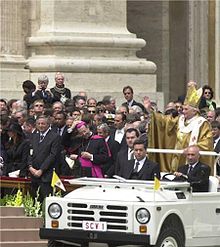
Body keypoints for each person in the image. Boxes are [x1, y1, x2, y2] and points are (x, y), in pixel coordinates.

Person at [144, 84, 214, 173]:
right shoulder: (180, 119)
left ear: (194, 110)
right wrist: (150, 111)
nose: (182, 111)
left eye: (186, 109)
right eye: (183, 109)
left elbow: (207, 142)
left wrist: (191, 149)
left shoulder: (202, 123)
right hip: (177, 157)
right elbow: (164, 122)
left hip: (191, 158)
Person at [28, 115, 61, 203]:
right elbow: (30, 152)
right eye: (38, 123)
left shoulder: (55, 136)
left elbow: (52, 155)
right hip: (34, 174)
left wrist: (41, 170)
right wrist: (30, 167)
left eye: (43, 123)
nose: (40, 125)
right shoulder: (34, 136)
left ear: (48, 124)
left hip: (47, 174)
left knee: (45, 199)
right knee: (34, 200)